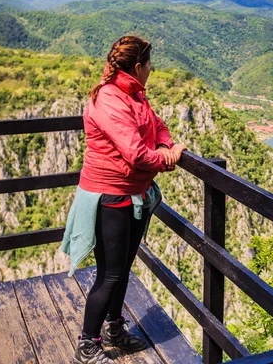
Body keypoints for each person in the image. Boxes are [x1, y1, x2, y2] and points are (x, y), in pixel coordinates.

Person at [61, 35, 187, 364]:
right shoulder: (110, 99)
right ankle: (87, 345)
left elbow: (157, 125)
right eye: (149, 65)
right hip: (111, 195)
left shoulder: (134, 93)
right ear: (137, 66)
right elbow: (135, 154)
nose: (151, 70)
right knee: (110, 275)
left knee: (123, 269)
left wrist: (164, 144)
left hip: (135, 194)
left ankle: (114, 328)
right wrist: (168, 158)